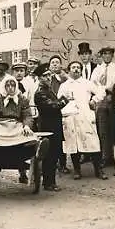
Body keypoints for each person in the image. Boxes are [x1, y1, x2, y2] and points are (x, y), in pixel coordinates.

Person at [0, 75, 49, 182]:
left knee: (28, 136)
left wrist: (27, 126)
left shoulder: (22, 99)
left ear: (16, 86)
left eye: (13, 85)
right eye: (7, 85)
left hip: (17, 125)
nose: (10, 88)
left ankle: (37, 150)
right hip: (1, 125)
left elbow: (27, 115)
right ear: (3, 86)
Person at [57, 61, 108, 180]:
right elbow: (59, 99)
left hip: (85, 116)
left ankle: (98, 170)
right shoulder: (64, 85)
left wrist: (94, 100)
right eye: (73, 67)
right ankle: (77, 170)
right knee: (73, 145)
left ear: (81, 70)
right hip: (70, 117)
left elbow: (101, 91)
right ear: (69, 70)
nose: (76, 69)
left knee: (93, 143)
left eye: (78, 68)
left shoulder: (87, 83)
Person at [33, 63, 69, 191]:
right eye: (44, 76)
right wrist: (65, 100)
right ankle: (48, 183)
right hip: (48, 128)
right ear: (39, 78)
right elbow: (53, 106)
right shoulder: (40, 93)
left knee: (54, 154)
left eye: (49, 75)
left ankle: (50, 181)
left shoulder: (47, 90)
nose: (48, 78)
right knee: (50, 155)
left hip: (54, 126)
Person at [90, 46, 115, 167]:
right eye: (105, 54)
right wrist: (101, 87)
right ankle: (105, 155)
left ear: (112, 55)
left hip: (114, 98)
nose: (107, 56)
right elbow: (92, 84)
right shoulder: (97, 69)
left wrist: (110, 88)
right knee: (102, 128)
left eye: (109, 54)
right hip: (101, 99)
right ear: (102, 56)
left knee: (114, 127)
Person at [12, 62, 35, 183]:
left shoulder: (29, 84)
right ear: (13, 72)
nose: (19, 73)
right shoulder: (8, 83)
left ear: (25, 72)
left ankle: (24, 172)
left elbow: (31, 98)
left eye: (21, 70)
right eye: (17, 71)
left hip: (25, 115)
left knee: (25, 143)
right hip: (12, 117)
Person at [48, 55, 70, 173]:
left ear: (61, 65)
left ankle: (63, 164)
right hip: (51, 109)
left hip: (63, 108)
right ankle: (52, 163)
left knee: (62, 138)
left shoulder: (64, 78)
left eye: (57, 62)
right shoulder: (47, 79)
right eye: (53, 63)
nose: (55, 64)